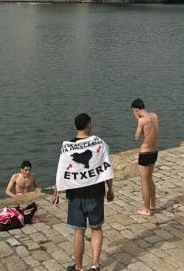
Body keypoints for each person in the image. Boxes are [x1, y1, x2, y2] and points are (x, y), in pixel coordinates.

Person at [51, 113, 114, 271]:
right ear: (89, 124)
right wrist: (110, 189)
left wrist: (56, 191)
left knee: (79, 232)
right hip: (96, 193)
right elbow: (106, 168)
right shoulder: (99, 143)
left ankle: (78, 267)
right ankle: (95, 265)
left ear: (75, 127)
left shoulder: (67, 147)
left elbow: (61, 171)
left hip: (76, 196)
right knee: (96, 228)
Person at [131, 98, 159, 216]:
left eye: (134, 111)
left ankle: (146, 209)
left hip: (145, 152)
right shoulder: (154, 116)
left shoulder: (142, 120)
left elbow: (137, 137)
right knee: (150, 178)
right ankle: (153, 205)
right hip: (154, 151)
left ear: (137, 110)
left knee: (144, 181)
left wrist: (138, 120)